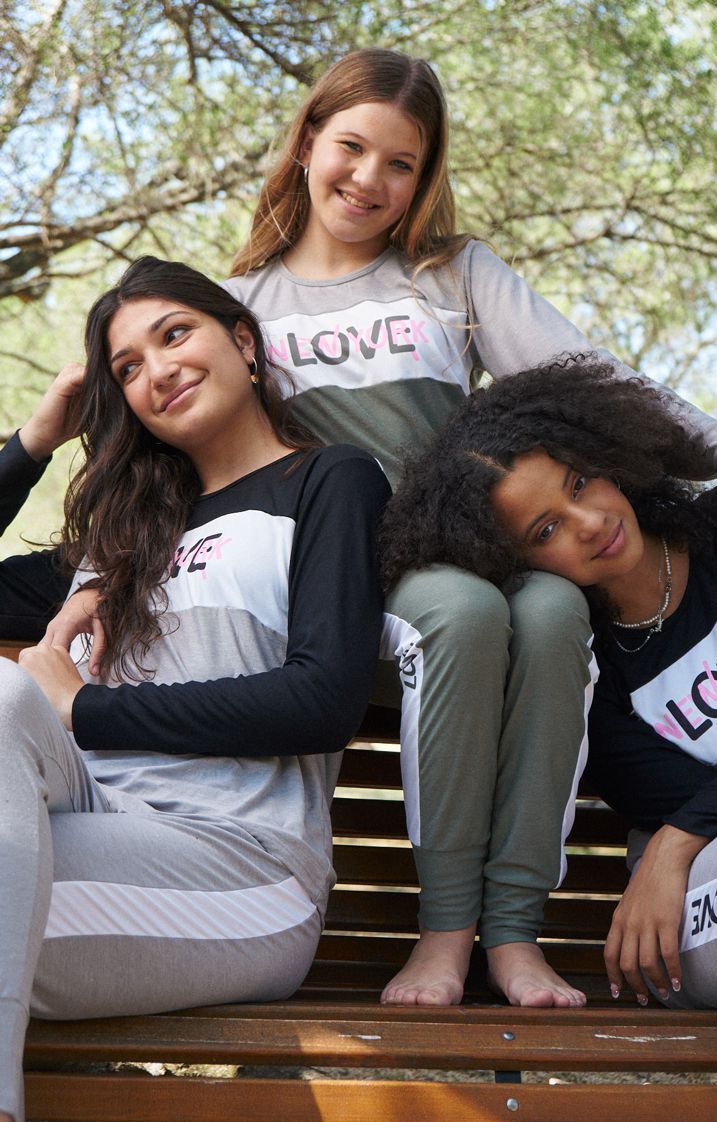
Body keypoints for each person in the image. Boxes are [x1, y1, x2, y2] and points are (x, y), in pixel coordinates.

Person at [22, 47, 717, 1009]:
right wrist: (98, 573)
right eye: (351, 148)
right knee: (461, 613)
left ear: (424, 177)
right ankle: (442, 935)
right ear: (307, 144)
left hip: (470, 547)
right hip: (353, 573)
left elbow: (594, 381)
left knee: (553, 608)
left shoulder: (450, 274)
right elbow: (172, 472)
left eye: (401, 163)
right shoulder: (242, 306)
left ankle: (512, 935)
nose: (369, 180)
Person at [0, 256, 389, 1122]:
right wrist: (34, 441)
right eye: (127, 367)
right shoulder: (121, 538)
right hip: (88, 826)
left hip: (244, 867)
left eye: (174, 334)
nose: (157, 370)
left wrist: (84, 706)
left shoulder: (326, 481)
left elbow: (322, 701)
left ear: (243, 342)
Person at [381, 354, 717, 1010]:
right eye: (546, 529)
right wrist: (680, 846)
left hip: (683, 856)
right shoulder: (583, 672)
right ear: (510, 561)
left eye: (579, 483)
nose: (590, 523)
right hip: (707, 898)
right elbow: (710, 804)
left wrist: (671, 842)